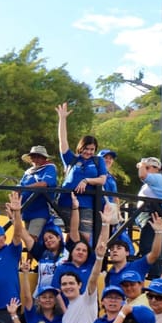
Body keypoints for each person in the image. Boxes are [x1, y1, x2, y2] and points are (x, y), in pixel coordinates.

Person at [55, 102, 107, 240]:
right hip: (66, 202)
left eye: (92, 149)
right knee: (67, 236)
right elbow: (63, 141)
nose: (88, 152)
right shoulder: (71, 159)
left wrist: (86, 180)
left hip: (86, 204)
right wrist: (62, 119)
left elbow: (102, 179)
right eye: (86, 148)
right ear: (80, 147)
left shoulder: (97, 161)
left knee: (84, 236)